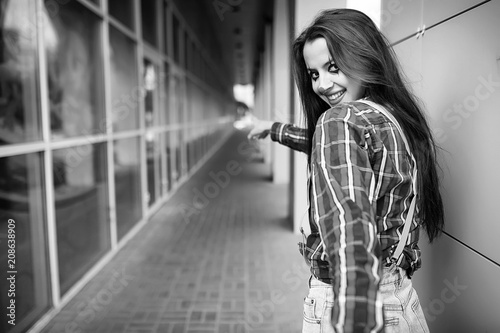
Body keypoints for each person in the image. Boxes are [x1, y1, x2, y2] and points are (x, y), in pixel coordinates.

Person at [248, 8, 444, 333]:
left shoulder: (339, 121)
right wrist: (272, 128)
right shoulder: (394, 118)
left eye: (333, 67)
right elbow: (323, 145)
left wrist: (357, 320)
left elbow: (349, 229)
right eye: (313, 74)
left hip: (355, 304)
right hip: (401, 300)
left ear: (364, 56)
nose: (322, 85)